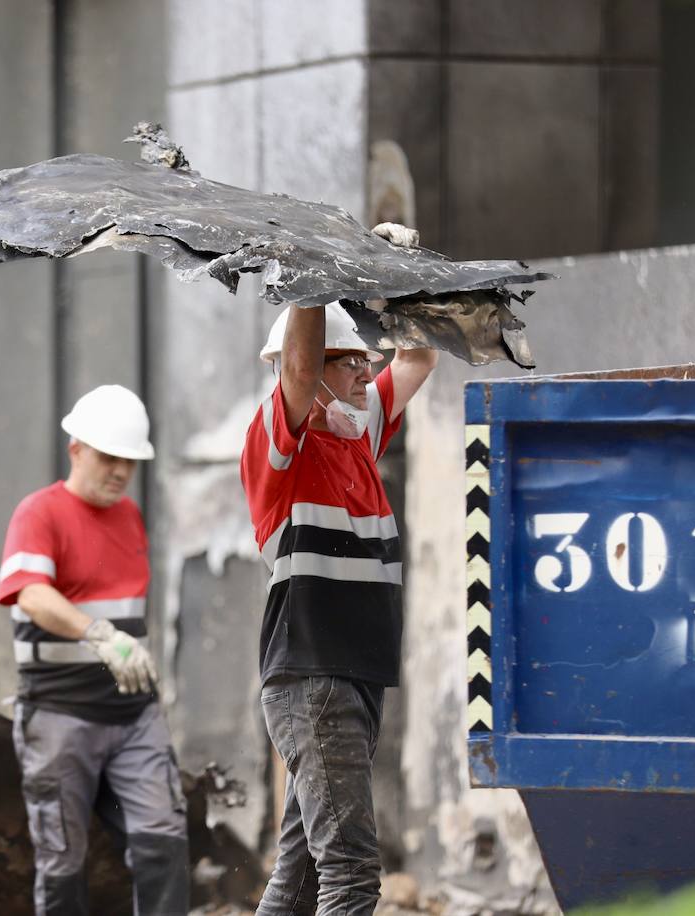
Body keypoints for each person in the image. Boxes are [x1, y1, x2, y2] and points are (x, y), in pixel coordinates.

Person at [241, 289, 438, 914]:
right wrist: (312, 277)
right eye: (349, 361)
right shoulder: (280, 449)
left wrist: (400, 285)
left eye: (364, 360)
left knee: (300, 878)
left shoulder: (358, 434)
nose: (367, 370)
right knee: (350, 873)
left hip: (353, 678)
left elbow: (418, 360)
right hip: (315, 679)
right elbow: (298, 371)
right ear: (310, 373)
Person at [0, 384, 189, 916]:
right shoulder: (39, 514)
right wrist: (99, 636)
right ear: (76, 449)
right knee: (62, 860)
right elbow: (31, 594)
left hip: (133, 715)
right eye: (109, 458)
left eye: (130, 462)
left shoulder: (128, 517)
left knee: (163, 838)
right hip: (59, 717)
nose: (121, 472)